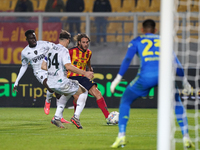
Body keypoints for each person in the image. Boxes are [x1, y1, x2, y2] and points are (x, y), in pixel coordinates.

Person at [110, 19, 195, 148]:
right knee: (177, 103)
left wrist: (117, 79)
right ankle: (186, 137)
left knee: (126, 100)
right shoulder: (164, 40)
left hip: (146, 77)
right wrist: (185, 82)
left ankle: (121, 136)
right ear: (155, 30)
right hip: (166, 76)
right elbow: (176, 62)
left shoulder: (137, 41)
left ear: (142, 30)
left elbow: (128, 59)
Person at [12, 29, 70, 124]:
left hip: (50, 69)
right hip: (40, 72)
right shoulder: (25, 52)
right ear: (27, 39)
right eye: (31, 38)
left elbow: (56, 48)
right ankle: (48, 101)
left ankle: (59, 117)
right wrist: (17, 81)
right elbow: (24, 66)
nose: (34, 40)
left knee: (59, 93)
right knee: (50, 85)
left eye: (34, 37)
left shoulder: (43, 44)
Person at [41, 30, 94, 129]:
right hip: (61, 82)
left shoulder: (50, 49)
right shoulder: (64, 50)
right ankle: (76, 117)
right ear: (68, 40)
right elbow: (68, 66)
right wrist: (85, 73)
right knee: (84, 92)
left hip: (51, 84)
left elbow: (43, 66)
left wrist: (54, 69)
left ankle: (56, 117)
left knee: (67, 93)